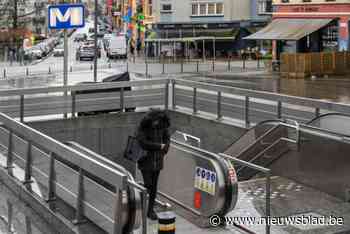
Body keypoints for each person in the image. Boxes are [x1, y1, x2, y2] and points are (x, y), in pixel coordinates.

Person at [136, 109, 171, 220]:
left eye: (159, 121)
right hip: (145, 160)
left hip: (157, 161)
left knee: (154, 186)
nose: (157, 123)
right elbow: (143, 142)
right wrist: (159, 146)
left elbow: (167, 139)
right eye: (156, 121)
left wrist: (165, 148)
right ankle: (140, 203)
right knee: (148, 184)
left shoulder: (163, 126)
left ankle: (150, 210)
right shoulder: (143, 126)